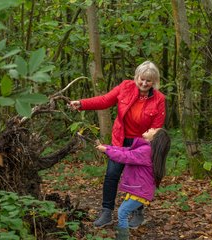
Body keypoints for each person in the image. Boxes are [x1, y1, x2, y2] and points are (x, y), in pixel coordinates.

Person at [69, 60, 166, 228]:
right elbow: (105, 100)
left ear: (154, 82)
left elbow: (156, 128)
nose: (144, 83)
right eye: (141, 79)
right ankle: (106, 212)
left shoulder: (159, 99)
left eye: (148, 80)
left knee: (139, 180)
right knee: (112, 175)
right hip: (120, 140)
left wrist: (149, 148)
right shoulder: (125, 87)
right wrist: (82, 104)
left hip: (141, 145)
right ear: (136, 77)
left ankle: (138, 213)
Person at [95, 128, 171, 240]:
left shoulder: (146, 151)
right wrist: (107, 147)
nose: (151, 128)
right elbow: (125, 150)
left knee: (122, 212)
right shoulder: (145, 148)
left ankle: (123, 237)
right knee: (123, 212)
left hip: (140, 191)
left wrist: (106, 151)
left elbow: (125, 156)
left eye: (154, 130)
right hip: (139, 190)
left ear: (155, 138)